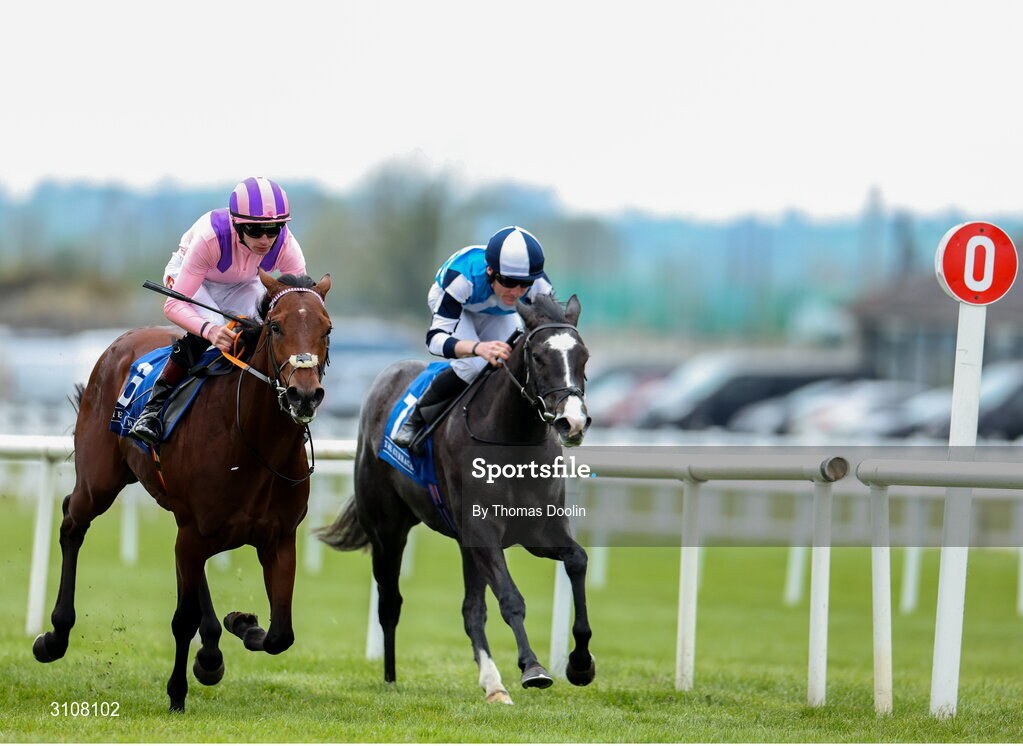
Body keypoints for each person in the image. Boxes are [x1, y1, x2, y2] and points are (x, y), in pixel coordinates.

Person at [129, 176, 307, 446]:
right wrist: (209, 331)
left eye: (274, 230)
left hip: (241, 283)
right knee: (210, 327)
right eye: (255, 230)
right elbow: (173, 304)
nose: (265, 239)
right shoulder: (211, 238)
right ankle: (154, 408)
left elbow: (298, 304)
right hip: (192, 277)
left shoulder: (286, 245)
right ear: (237, 224)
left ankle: (278, 406)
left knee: (267, 326)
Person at [392, 225, 554, 449]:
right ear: (490, 271)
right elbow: (435, 340)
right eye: (508, 281)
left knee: (513, 362)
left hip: (499, 313)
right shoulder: (462, 279)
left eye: (524, 284)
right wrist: (478, 348)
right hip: (460, 306)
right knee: (474, 367)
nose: (517, 292)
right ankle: (417, 419)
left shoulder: (541, 288)